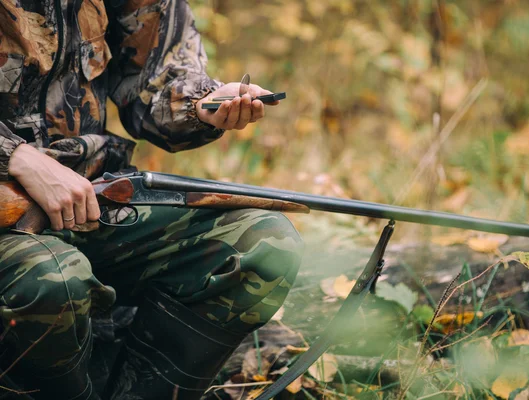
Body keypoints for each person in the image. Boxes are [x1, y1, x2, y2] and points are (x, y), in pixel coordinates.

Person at [0, 1, 303, 399]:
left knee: (263, 242)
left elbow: (156, 78)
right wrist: (17, 157)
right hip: (13, 220)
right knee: (54, 277)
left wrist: (203, 103)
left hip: (93, 195)